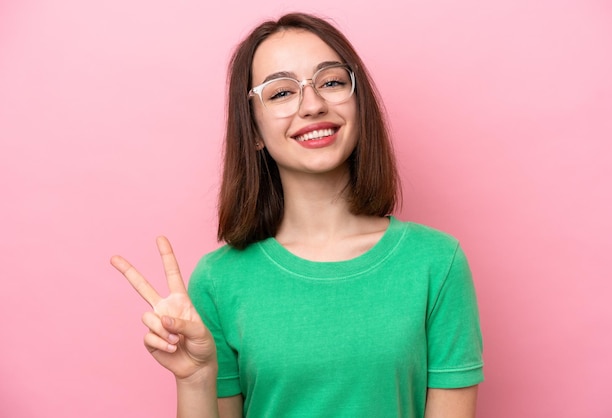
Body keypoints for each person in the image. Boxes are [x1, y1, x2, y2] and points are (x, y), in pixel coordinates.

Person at [111, 12, 484, 418]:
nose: (313, 105)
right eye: (281, 92)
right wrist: (196, 378)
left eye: (331, 82)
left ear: (359, 103)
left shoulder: (436, 263)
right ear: (252, 129)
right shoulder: (218, 281)